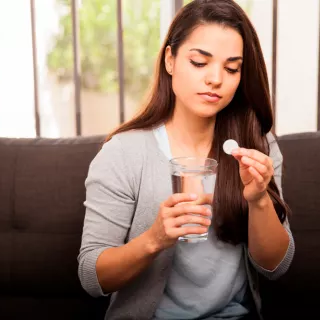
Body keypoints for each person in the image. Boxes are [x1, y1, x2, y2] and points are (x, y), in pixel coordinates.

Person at [78, 0, 295, 319]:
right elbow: (91, 276)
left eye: (232, 67)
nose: (216, 79)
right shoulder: (123, 154)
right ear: (170, 60)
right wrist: (153, 240)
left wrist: (259, 199)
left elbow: (277, 267)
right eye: (199, 62)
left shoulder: (257, 146)